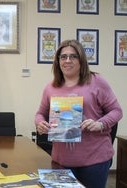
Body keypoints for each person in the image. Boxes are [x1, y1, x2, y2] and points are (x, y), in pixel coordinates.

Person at [35, 39, 122, 188]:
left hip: (94, 160)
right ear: (58, 61)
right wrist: (40, 123)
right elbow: (39, 114)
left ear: (81, 59)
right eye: (63, 57)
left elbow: (117, 111)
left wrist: (100, 123)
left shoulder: (96, 81)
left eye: (73, 56)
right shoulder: (51, 87)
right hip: (61, 161)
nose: (67, 60)